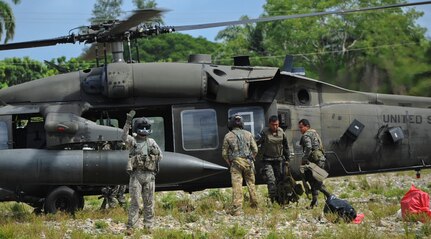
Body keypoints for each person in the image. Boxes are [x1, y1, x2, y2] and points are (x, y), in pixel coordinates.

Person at [122, 110, 162, 234]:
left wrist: (151, 157)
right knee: (135, 202)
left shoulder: (151, 142)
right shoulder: (132, 141)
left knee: (149, 202)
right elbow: (123, 136)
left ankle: (148, 226)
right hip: (136, 175)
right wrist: (128, 122)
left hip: (149, 175)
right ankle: (131, 226)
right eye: (142, 128)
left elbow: (160, 156)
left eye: (146, 128)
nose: (144, 130)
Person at [222, 115, 258, 216]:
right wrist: (251, 158)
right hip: (248, 162)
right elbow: (255, 150)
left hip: (236, 163)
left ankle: (237, 209)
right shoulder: (248, 134)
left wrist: (230, 162)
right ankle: (254, 205)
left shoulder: (228, 136)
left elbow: (224, 153)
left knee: (237, 185)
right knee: (251, 183)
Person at [298, 119, 331, 209]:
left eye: (301, 127)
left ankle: (329, 196)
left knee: (317, 182)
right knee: (313, 180)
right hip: (319, 160)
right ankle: (314, 201)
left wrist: (304, 159)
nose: (300, 129)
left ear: (307, 126)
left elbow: (308, 147)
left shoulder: (306, 135)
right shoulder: (314, 133)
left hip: (315, 161)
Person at [257, 115, 290, 204]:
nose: (275, 127)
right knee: (271, 180)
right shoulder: (264, 133)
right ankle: (272, 200)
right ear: (269, 124)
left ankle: (280, 200)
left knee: (280, 180)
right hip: (267, 160)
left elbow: (286, 146)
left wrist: (287, 159)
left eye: (276, 125)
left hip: (278, 160)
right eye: (273, 125)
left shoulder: (281, 132)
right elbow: (256, 143)